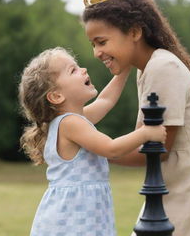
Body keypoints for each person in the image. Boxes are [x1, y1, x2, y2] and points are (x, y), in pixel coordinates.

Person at [82, 0, 190, 236]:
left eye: (102, 42)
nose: (96, 53)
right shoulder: (147, 69)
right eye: (93, 44)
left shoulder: (162, 67)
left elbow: (157, 150)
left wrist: (93, 151)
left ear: (135, 31)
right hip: (169, 189)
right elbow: (141, 136)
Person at [18, 47, 166, 236]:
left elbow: (106, 100)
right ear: (56, 96)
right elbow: (111, 149)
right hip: (74, 217)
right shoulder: (70, 124)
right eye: (73, 70)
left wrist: (125, 67)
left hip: (80, 212)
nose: (84, 70)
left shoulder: (72, 120)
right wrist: (146, 133)